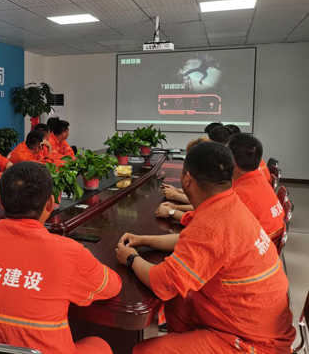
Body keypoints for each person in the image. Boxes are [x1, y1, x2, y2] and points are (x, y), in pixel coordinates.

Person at [116, 142, 295, 353]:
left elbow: (163, 283)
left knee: (144, 350)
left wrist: (131, 258)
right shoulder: (229, 203)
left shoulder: (212, 224)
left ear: (187, 179)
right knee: (178, 303)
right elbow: (191, 241)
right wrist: (143, 240)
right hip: (259, 317)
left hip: (253, 342)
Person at [0, 162, 121, 354]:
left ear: (1, 202)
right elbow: (112, 286)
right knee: (99, 345)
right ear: (50, 204)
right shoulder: (67, 251)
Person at [227, 133, 285, 247]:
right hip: (267, 243)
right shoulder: (258, 179)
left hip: (254, 246)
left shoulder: (241, 195)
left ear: (232, 161)